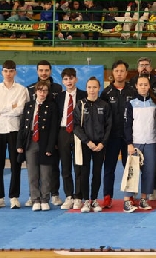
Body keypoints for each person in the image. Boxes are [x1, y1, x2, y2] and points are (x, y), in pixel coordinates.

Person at [0, 60, 29, 210]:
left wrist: (3, 108)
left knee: (15, 164)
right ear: (2, 72)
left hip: (14, 130)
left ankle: (14, 196)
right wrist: (10, 106)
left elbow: (20, 110)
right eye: (5, 71)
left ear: (15, 72)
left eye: (11, 71)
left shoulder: (22, 90)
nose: (8, 74)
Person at [16, 80, 59, 212]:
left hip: (45, 143)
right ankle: (35, 199)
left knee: (45, 173)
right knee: (32, 173)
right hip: (30, 142)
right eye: (40, 90)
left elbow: (54, 129)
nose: (42, 93)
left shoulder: (52, 106)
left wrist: (50, 147)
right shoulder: (29, 106)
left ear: (48, 92)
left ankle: (45, 199)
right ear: (35, 92)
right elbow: (22, 126)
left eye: (45, 90)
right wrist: (19, 144)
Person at [100, 60, 136, 209]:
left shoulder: (132, 92)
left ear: (126, 73)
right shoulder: (106, 93)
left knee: (130, 168)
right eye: (117, 71)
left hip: (129, 138)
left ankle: (130, 196)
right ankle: (107, 197)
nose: (119, 73)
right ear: (112, 73)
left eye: (122, 71)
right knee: (109, 167)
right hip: (111, 137)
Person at [73, 77, 111, 213]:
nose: (92, 90)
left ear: (99, 88)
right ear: (86, 88)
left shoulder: (104, 105)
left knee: (97, 172)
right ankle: (85, 201)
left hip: (100, 146)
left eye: (95, 87)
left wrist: (102, 143)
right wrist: (87, 142)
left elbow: (108, 126)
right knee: (84, 173)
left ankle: (94, 199)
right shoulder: (80, 105)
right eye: (89, 87)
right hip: (85, 145)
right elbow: (76, 126)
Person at [122, 75, 156, 213]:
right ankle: (127, 200)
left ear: (149, 86)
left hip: (151, 142)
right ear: (136, 86)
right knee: (131, 171)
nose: (143, 87)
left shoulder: (154, 103)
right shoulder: (131, 104)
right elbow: (127, 125)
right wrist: (129, 143)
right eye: (140, 84)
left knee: (149, 172)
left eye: (145, 84)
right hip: (135, 143)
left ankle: (144, 199)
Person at [55, 68, 87, 210]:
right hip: (63, 132)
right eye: (66, 79)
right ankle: (69, 195)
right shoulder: (59, 97)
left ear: (76, 79)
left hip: (78, 132)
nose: (69, 81)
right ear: (62, 81)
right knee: (65, 166)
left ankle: (78, 196)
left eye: (71, 78)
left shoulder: (83, 96)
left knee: (79, 165)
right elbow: (56, 118)